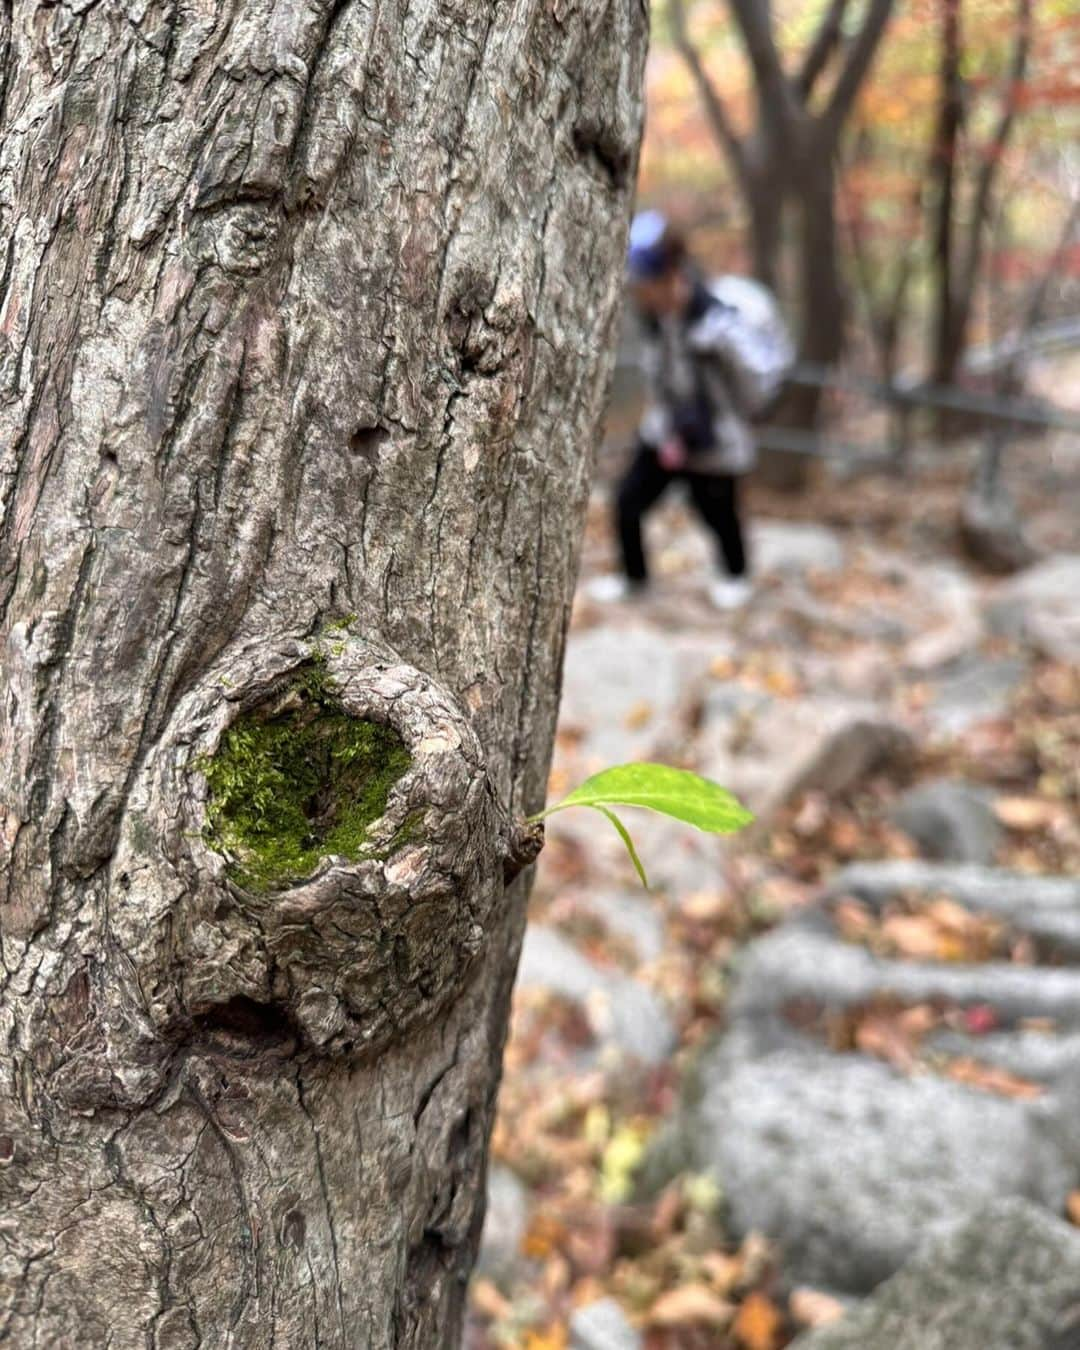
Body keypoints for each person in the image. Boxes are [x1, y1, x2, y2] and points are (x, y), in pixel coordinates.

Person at [589, 210, 792, 610]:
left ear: (670, 273)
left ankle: (735, 577)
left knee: (717, 512)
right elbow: (659, 378)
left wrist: (720, 348)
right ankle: (634, 577)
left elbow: (755, 389)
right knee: (628, 501)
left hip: (716, 439)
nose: (638, 293)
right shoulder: (654, 321)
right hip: (667, 431)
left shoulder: (721, 320)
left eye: (643, 283)